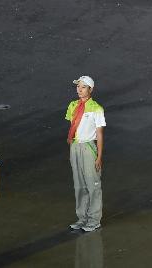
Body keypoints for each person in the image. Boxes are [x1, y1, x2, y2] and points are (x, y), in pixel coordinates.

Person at [65, 76, 105, 232]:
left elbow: (100, 134)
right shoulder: (72, 105)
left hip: (88, 148)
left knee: (93, 185)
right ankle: (82, 218)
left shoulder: (96, 108)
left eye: (83, 87)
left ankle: (94, 220)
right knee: (79, 185)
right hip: (75, 147)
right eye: (78, 86)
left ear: (91, 89)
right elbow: (73, 127)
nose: (79, 89)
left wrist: (99, 156)